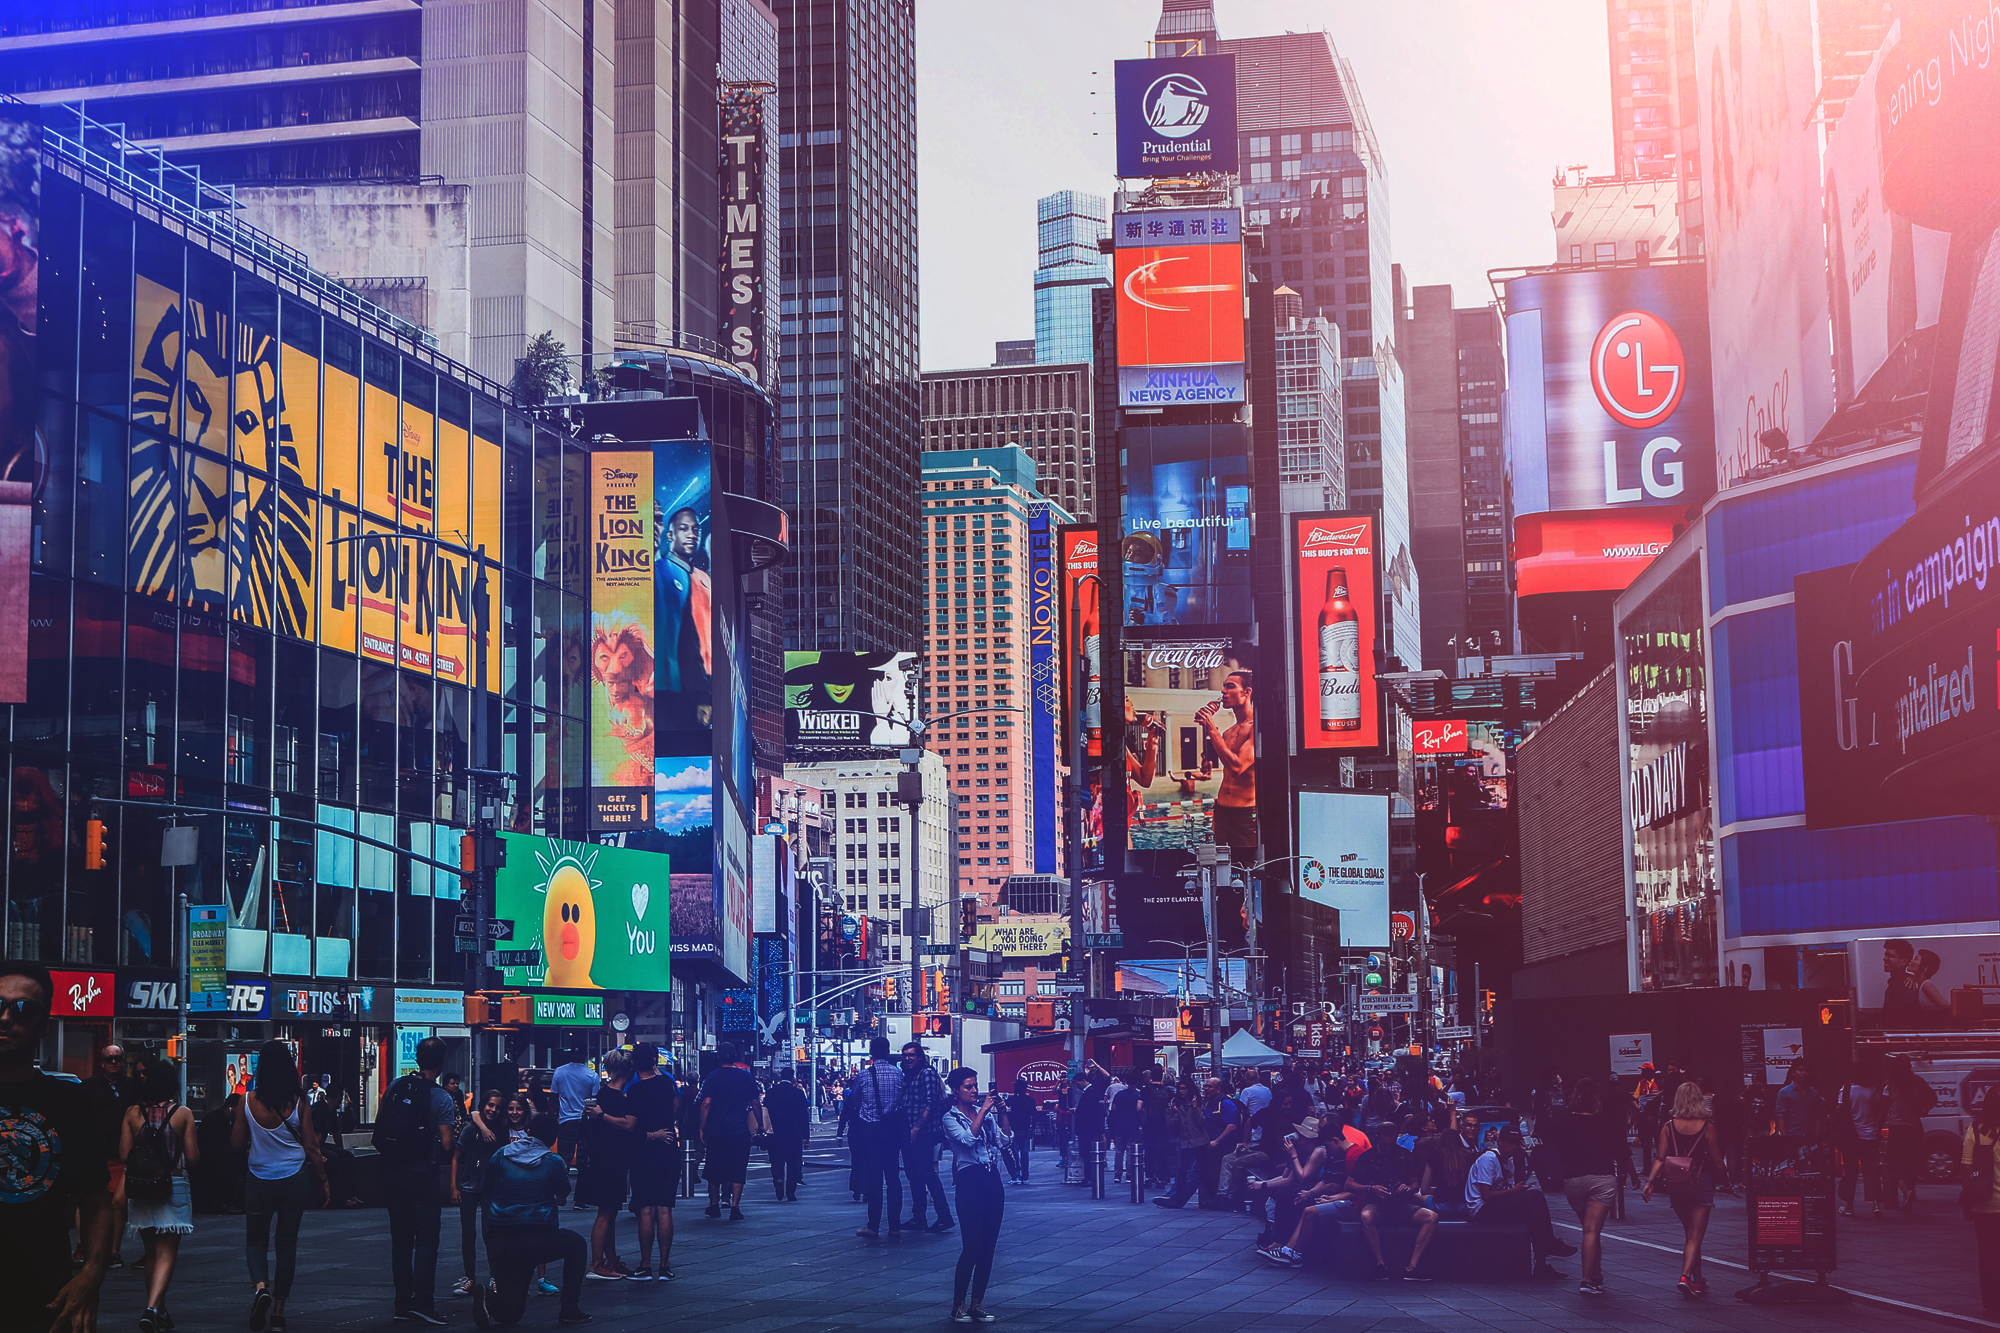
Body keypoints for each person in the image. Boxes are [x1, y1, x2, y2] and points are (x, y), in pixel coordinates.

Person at [0, 959, 114, 1333]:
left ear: (45, 1026)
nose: (6, 1017)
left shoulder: (69, 1101)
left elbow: (95, 1201)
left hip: (46, 1295)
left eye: (23, 1009)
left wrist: (92, 1273)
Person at [235, 1040, 329, 1331]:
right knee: (286, 1245)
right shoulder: (299, 1100)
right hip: (294, 1177)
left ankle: (260, 1287)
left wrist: (255, 1143)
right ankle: (278, 1312)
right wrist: (324, 1180)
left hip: (258, 1178)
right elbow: (311, 1146)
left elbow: (235, 1142)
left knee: (255, 1241)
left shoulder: (247, 1100)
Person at [470, 1117, 592, 1327]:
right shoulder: (553, 1161)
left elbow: (487, 1186)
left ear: (528, 1131)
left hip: (501, 1237)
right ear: (553, 1138)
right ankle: (569, 1309)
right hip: (538, 1236)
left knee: (512, 1313)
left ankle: (487, 1297)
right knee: (577, 1244)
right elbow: (563, 1191)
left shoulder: (501, 1154)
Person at [374, 1035, 458, 1323]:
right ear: (442, 1062)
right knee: (426, 1238)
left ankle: (402, 1303)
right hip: (422, 1173)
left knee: (400, 1240)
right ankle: (422, 1302)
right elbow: (446, 1143)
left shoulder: (396, 1086)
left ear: (418, 1059)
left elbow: (382, 1122)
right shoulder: (441, 1097)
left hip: (392, 1170)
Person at [121, 1057, 199, 1332]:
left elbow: (124, 1154)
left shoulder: (132, 1113)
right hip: (173, 1184)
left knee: (151, 1253)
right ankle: (152, 1309)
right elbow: (192, 1157)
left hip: (140, 1186)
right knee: (167, 1252)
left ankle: (159, 1310)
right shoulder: (182, 1113)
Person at [1642, 1081, 1728, 1298]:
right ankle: (1685, 1276)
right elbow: (1717, 1161)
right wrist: (1726, 1181)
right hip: (1700, 1183)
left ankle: (1698, 1281)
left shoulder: (1668, 1126)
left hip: (1676, 1184)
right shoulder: (1708, 1127)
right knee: (1695, 1236)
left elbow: (1660, 1158)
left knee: (1689, 1234)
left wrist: (1649, 1182)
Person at [941, 1066, 1012, 1323]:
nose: (973, 1091)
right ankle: (957, 1306)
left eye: (975, 1086)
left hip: (991, 1180)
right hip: (969, 1181)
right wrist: (983, 1111)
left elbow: (1004, 1141)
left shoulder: (987, 1116)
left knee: (988, 1246)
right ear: (955, 1090)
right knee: (971, 1246)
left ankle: (977, 1304)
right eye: (968, 1086)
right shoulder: (950, 1118)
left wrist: (1002, 1113)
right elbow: (967, 1140)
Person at [1541, 1077, 1621, 1295]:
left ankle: (1596, 1275)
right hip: (1601, 1179)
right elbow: (1619, 1149)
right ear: (1596, 1099)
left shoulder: (1565, 1122)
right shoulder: (1603, 1121)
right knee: (1592, 1230)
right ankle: (1586, 1280)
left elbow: (1557, 1149)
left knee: (1590, 1231)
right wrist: (1633, 1174)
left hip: (1574, 1181)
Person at [1467, 1124, 1574, 1279]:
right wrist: (1515, 1191)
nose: (1514, 1146)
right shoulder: (1488, 1159)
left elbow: (1506, 1191)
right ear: (1500, 1142)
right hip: (1482, 1209)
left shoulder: (1508, 1161)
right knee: (1536, 1197)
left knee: (1535, 1214)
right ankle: (1550, 1243)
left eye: (1516, 1143)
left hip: (1495, 1205)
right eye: (1510, 1142)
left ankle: (1541, 1264)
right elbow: (1486, 1195)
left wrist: (1516, 1193)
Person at [580, 1047, 638, 1280]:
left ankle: (611, 1259)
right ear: (629, 1069)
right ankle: (596, 1263)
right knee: (605, 1213)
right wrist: (605, 1117)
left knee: (610, 1211)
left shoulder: (603, 1094)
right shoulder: (617, 1099)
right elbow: (627, 1125)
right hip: (610, 1160)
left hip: (603, 1158)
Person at [626, 1043, 680, 1281]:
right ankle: (665, 1266)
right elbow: (677, 1108)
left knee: (646, 1210)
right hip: (668, 1151)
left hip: (644, 1153)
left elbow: (631, 1126)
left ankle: (645, 1265)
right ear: (655, 1062)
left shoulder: (635, 1091)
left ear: (633, 1064)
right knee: (665, 1208)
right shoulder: (667, 1083)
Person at [1194, 668, 1257, 853]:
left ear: (1246, 692)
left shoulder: (1257, 727)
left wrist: (1211, 730)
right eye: (1223, 687)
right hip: (1222, 811)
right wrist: (1217, 817)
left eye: (1230, 686)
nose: (1223, 691)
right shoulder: (1228, 733)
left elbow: (1237, 767)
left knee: (1245, 863)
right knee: (1217, 861)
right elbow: (1227, 775)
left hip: (1245, 815)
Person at [452, 1089, 507, 1298]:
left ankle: (495, 1276)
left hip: (490, 1188)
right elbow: (456, 1157)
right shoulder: (470, 1129)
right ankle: (470, 1277)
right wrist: (453, 1186)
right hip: (468, 1186)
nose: (493, 1110)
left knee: (489, 1233)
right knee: (468, 1233)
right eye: (490, 1105)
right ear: (483, 1105)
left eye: (497, 1107)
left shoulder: (501, 1130)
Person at [851, 1036, 906, 1239]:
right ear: (888, 1052)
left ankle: (873, 1226)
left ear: (871, 1053)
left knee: (874, 1178)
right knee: (893, 1178)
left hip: (871, 1130)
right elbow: (902, 1100)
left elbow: (856, 1100)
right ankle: (895, 1227)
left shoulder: (864, 1075)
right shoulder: (898, 1074)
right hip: (892, 1130)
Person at [80, 1043, 129, 1270]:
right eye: (109, 1059)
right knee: (90, 1201)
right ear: (102, 1062)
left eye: (117, 1058)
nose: (113, 1062)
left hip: (120, 1153)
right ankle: (86, 1248)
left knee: (118, 1204)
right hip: (95, 1152)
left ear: (123, 1061)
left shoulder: (131, 1087)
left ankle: (113, 1251)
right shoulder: (90, 1086)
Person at [698, 1041, 759, 1221]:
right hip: (739, 1130)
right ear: (735, 1057)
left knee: (713, 1168)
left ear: (719, 1057)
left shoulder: (712, 1077)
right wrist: (761, 1124)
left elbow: (706, 1103)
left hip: (716, 1130)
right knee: (738, 1168)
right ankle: (735, 1207)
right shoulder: (746, 1076)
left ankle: (714, 1205)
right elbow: (755, 1102)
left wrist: (701, 1127)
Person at [897, 1043, 954, 1231]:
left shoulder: (926, 1073)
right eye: (905, 1055)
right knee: (914, 1175)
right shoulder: (910, 1075)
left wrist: (916, 1128)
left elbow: (930, 1102)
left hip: (923, 1133)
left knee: (926, 1173)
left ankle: (944, 1215)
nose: (907, 1058)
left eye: (911, 1055)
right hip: (908, 1130)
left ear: (919, 1057)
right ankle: (918, 1216)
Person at [1962, 1087, 2000, 1318]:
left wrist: (1967, 1202)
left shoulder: (1975, 1130)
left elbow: (1967, 1169)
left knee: (1987, 1256)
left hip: (1984, 1205)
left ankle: (1991, 1305)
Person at [1884, 1057, 1937, 1212]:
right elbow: (1933, 1097)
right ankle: (1910, 1192)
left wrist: (1877, 1126)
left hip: (1897, 1129)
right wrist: (1925, 1109)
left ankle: (1906, 1191)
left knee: (1893, 1164)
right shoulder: (1918, 1082)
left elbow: (1883, 1109)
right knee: (1912, 1163)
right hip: (1915, 1128)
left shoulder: (1890, 1085)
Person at [1838, 1060, 1885, 1219]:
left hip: (1851, 1137)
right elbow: (1877, 1109)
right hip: (1870, 1136)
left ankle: (1849, 1206)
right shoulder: (1872, 1091)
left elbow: (1840, 1110)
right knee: (1871, 1171)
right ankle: (1875, 1206)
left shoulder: (1846, 1089)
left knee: (1850, 1172)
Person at [765, 1068, 810, 1202]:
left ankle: (778, 1178)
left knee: (776, 1160)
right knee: (793, 1163)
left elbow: (765, 1111)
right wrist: (806, 1136)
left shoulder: (771, 1092)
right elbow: (804, 1115)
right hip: (793, 1132)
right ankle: (791, 1191)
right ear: (792, 1077)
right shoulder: (798, 1093)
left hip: (775, 1132)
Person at [549, 1051, 596, 1170]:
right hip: (584, 1120)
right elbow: (595, 1100)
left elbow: (553, 1098)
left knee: (564, 1158)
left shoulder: (559, 1071)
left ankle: (563, 1180)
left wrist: (551, 1119)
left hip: (566, 1120)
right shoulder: (592, 1075)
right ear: (586, 1054)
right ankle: (584, 1180)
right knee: (586, 1158)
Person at [1775, 1061, 1823, 1150]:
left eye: (1806, 1071)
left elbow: (1817, 1115)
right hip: (1792, 1136)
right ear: (1793, 1073)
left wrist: (1816, 1136)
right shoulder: (1784, 1092)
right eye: (1800, 1070)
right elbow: (1780, 1117)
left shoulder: (1813, 1093)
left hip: (1810, 1136)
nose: (1803, 1073)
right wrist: (1784, 1138)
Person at [1107, 1072, 1142, 1184]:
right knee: (1130, 1151)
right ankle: (1129, 1174)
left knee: (1119, 1151)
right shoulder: (1138, 1095)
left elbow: (1113, 1108)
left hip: (1120, 1125)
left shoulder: (1119, 1094)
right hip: (1132, 1126)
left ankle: (1117, 1175)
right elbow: (1139, 1109)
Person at [1005, 1078, 1038, 1184]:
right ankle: (1025, 1176)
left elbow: (1006, 1104)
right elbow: (1034, 1115)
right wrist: (1032, 1128)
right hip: (1026, 1129)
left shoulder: (1013, 1099)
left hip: (1015, 1129)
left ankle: (1017, 1174)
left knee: (1014, 1153)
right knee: (1025, 1153)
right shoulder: (1030, 1100)